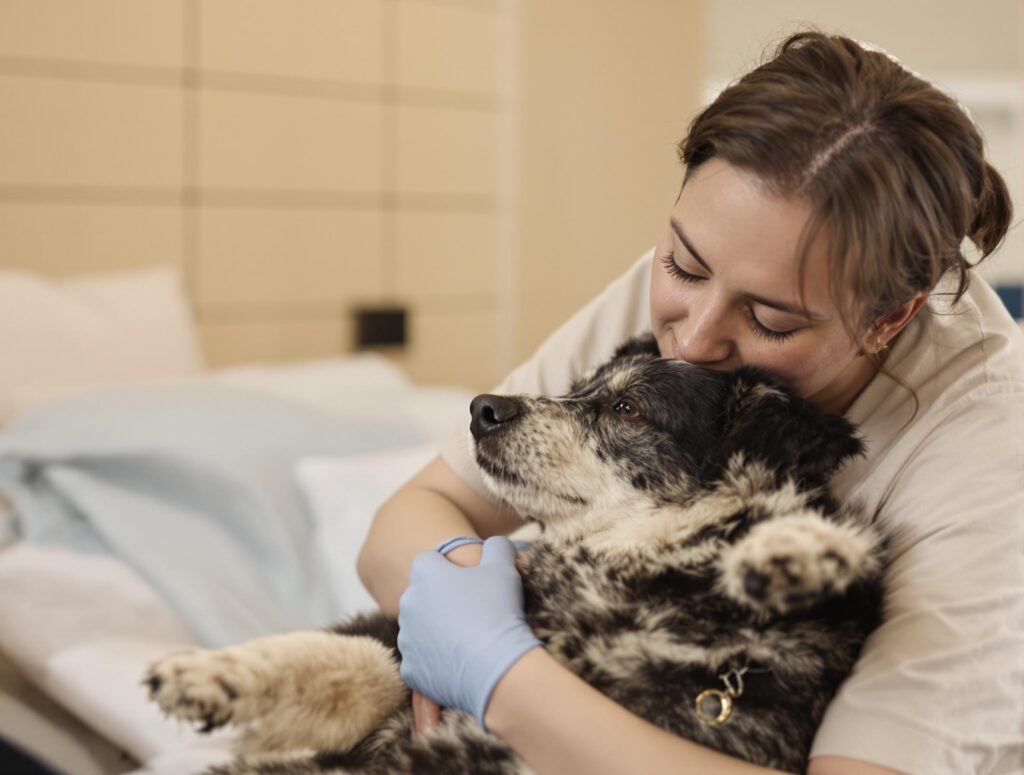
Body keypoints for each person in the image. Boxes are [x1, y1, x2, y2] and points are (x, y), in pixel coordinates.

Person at [357, 30, 1024, 775]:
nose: (695, 339)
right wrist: (458, 580)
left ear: (890, 318)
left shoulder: (989, 452)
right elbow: (405, 521)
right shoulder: (711, 284)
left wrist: (502, 676)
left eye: (772, 320)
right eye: (682, 263)